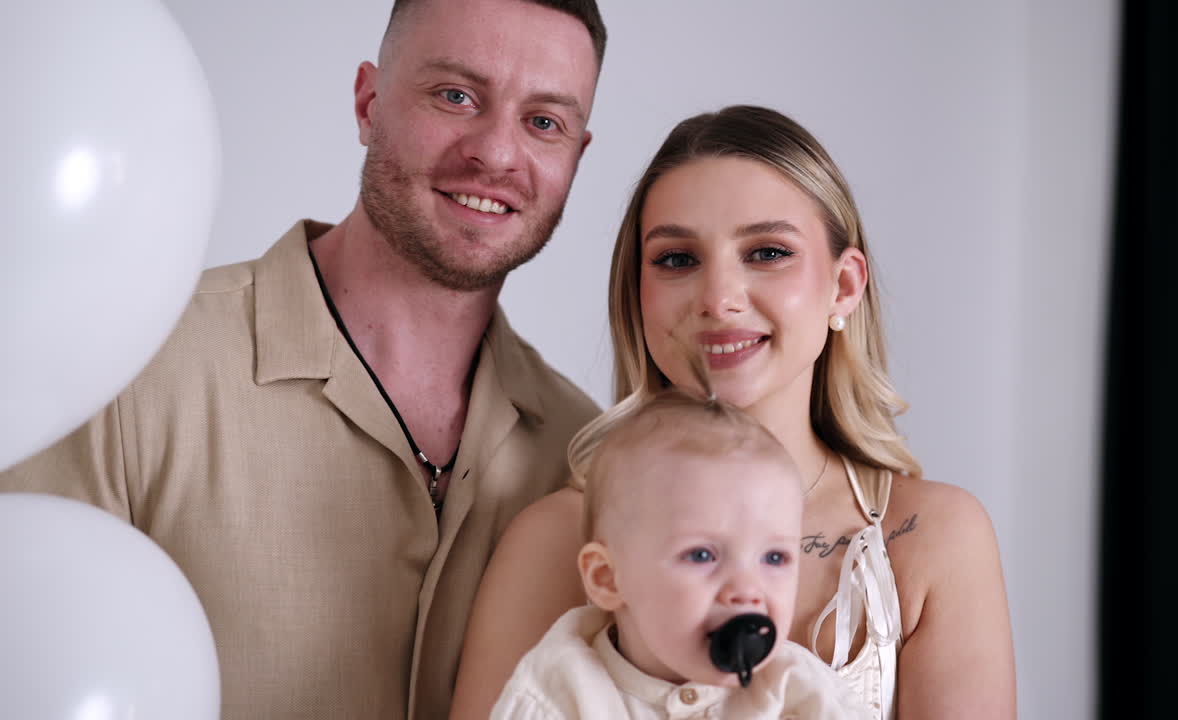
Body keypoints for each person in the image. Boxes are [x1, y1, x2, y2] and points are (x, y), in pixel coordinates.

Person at [0, 1, 606, 718]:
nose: (497, 154)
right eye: (456, 96)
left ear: (576, 154)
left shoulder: (587, 457)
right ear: (367, 103)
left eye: (544, 122)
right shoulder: (133, 366)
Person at [450, 105, 1017, 719]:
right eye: (676, 259)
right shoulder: (560, 536)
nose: (718, 299)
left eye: (768, 252)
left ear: (844, 286)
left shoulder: (935, 539)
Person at [491, 371, 867, 719]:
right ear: (608, 578)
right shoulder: (559, 692)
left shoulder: (799, 690)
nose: (746, 590)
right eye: (702, 555)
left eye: (774, 557)